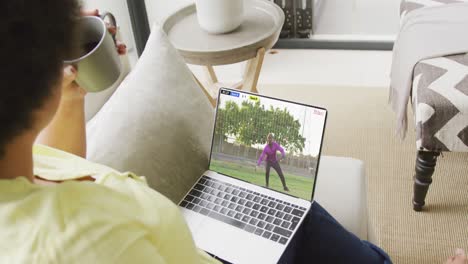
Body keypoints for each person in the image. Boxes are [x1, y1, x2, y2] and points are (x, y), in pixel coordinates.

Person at [0, 1, 461, 263]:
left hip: (201, 224)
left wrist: (73, 97)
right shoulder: (93, 245)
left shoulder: (18, 170)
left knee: (280, 193)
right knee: (319, 229)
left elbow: (56, 162)